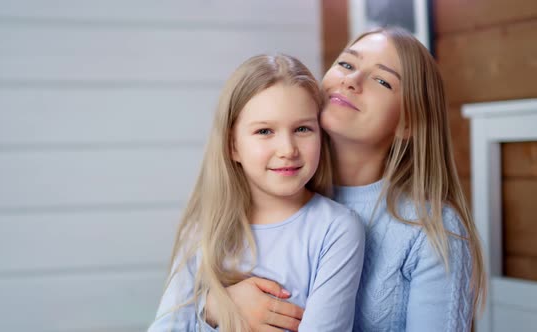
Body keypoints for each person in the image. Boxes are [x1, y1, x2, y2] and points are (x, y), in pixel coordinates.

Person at [202, 27, 487, 331]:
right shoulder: (270, 188)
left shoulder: (431, 229)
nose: (351, 80)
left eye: (382, 80)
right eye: (347, 65)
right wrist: (215, 305)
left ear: (408, 122)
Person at [148, 54, 365, 332]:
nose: (287, 149)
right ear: (232, 146)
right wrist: (213, 307)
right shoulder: (204, 228)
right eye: (265, 131)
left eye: (302, 129)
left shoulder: (336, 229)